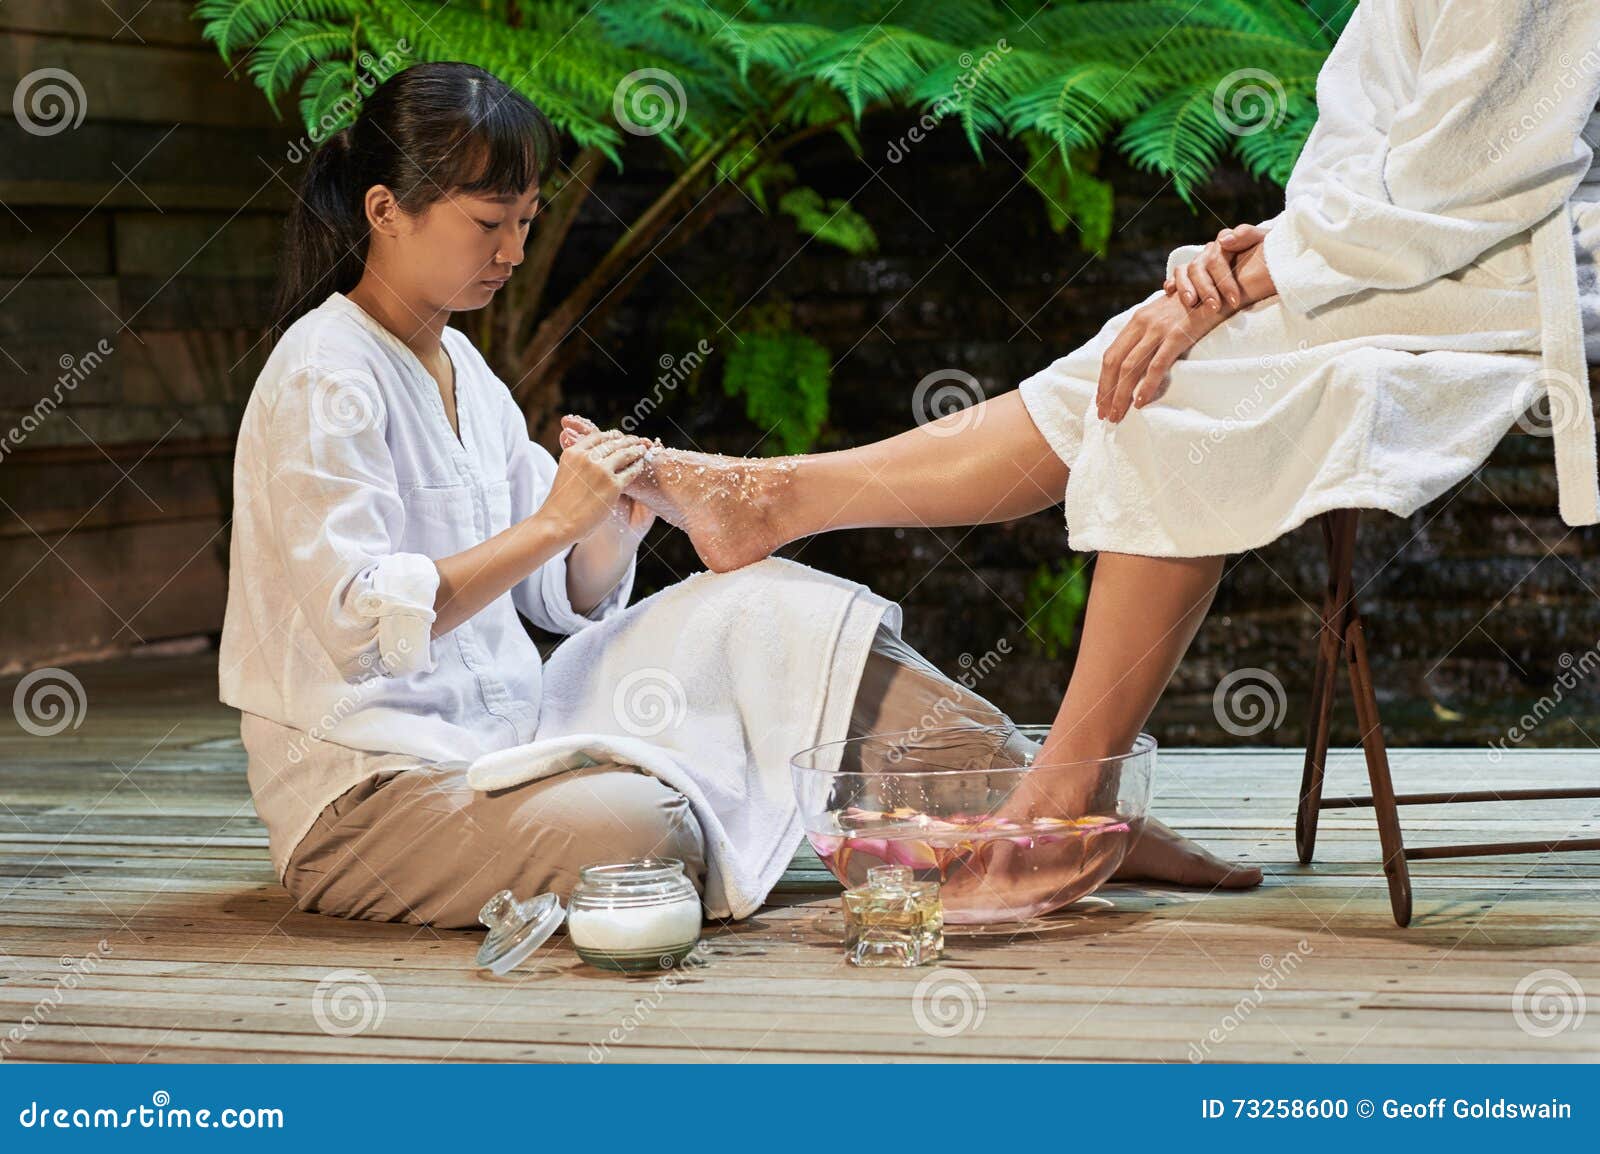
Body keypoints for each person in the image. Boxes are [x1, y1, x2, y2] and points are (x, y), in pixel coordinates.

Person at [217, 62, 1257, 932]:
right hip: (374, 797)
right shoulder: (323, 374)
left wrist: (609, 524)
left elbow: (555, 602)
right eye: (490, 221)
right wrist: (551, 521)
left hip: (509, 736)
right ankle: (1002, 818)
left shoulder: (461, 370)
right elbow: (358, 621)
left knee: (784, 609)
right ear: (384, 210)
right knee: (640, 829)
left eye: (527, 220)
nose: (514, 252)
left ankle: (1065, 803)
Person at [565, 0, 1600, 828]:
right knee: (1149, 354)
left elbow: (1478, 169)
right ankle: (779, 502)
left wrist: (1259, 273)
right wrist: (1274, 244)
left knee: (1173, 385)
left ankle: (1062, 794)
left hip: (1522, 262)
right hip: (1405, 246)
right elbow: (1369, 135)